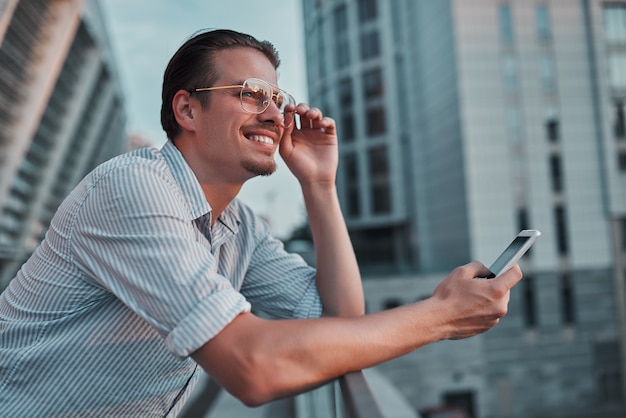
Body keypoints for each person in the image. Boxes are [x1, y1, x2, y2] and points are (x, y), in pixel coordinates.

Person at [0, 29, 522, 416]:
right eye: (250, 93)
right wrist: (440, 316)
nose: (275, 114)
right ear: (187, 109)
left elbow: (339, 319)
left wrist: (319, 185)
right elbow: (253, 367)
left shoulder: (239, 227)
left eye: (278, 98)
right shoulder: (132, 189)